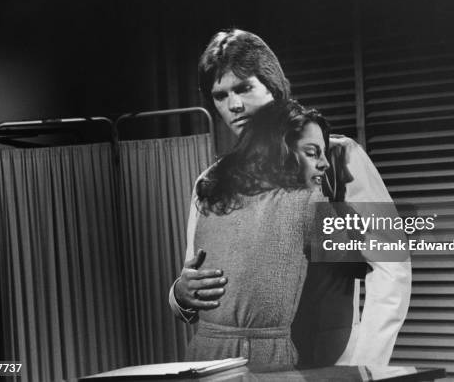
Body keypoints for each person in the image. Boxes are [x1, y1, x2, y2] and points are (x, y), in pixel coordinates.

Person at [169, 29, 411, 366]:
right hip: (231, 365)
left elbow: (392, 268)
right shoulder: (210, 180)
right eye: (220, 96)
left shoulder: (338, 159)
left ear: (275, 89)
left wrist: (362, 367)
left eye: (244, 88)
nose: (234, 105)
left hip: (325, 359)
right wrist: (180, 295)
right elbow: (194, 276)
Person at [185, 99, 334, 368]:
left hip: (201, 357)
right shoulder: (307, 201)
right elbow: (369, 252)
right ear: (281, 151)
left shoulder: (212, 195)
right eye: (313, 152)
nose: (325, 164)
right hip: (262, 359)